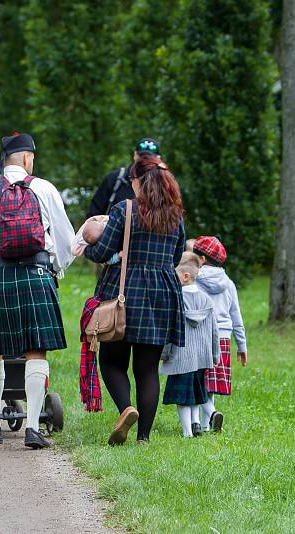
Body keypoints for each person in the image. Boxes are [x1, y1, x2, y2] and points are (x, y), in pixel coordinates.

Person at [0, 132, 76, 449]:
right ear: (27, 158)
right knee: (35, 350)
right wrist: (56, 271)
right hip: (37, 275)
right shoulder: (44, 189)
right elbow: (66, 239)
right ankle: (34, 428)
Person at [84, 154, 186, 445]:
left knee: (113, 361)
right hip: (162, 295)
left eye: (132, 180)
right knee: (147, 368)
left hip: (124, 292)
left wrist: (88, 247)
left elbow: (101, 251)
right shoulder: (175, 215)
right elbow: (176, 257)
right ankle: (144, 437)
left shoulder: (125, 210)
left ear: (139, 181)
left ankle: (126, 409)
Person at [160, 252, 221, 438]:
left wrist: (164, 354)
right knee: (195, 393)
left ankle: (187, 431)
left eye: (174, 273)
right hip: (202, 357)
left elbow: (168, 330)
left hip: (181, 356)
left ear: (185, 277)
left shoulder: (176, 301)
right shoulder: (207, 300)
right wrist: (215, 355)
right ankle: (195, 423)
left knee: (182, 399)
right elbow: (214, 331)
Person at [192, 235, 247, 432]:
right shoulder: (229, 283)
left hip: (200, 336)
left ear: (203, 259)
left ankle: (208, 415)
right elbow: (237, 317)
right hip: (223, 337)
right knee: (211, 382)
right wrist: (242, 346)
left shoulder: (194, 280)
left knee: (198, 380)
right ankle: (207, 425)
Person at [86, 137, 161, 219]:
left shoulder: (164, 185)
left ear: (158, 159)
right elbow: (93, 216)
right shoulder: (114, 179)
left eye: (149, 158)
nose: (144, 161)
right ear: (135, 155)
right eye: (141, 156)